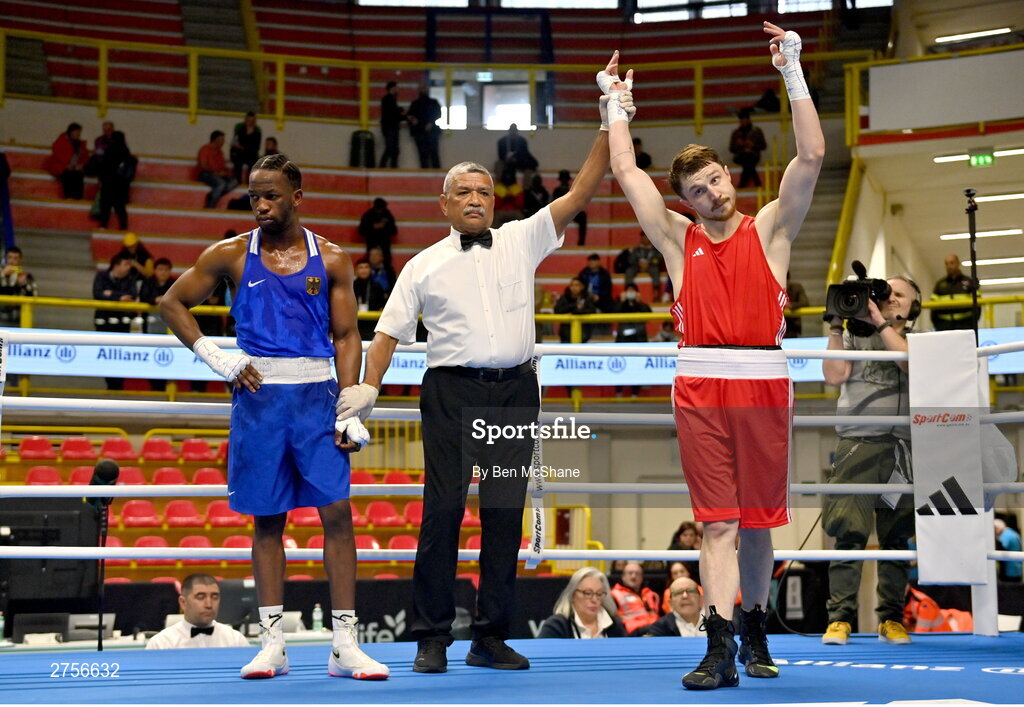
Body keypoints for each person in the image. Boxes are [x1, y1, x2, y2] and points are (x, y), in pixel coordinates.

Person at [335, 59, 617, 673]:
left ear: (496, 199)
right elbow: (385, 335)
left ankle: (490, 636)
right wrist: (367, 391)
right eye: (463, 191)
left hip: (516, 390)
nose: (475, 199)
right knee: (442, 511)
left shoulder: (522, 237)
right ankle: (431, 636)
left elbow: (582, 193)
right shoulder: (422, 265)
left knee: (503, 515)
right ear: (443, 204)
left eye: (484, 191)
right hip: (450, 394)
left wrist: (606, 116)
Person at [605, 24, 824, 689]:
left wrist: (791, 69)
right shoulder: (678, 241)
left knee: (755, 523)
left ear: (729, 176)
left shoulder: (770, 230)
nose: (712, 192)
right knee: (717, 523)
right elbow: (624, 172)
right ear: (689, 200)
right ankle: (719, 644)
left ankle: (754, 623)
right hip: (700, 379)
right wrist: (615, 107)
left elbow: (811, 154)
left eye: (715, 178)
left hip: (763, 378)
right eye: (697, 188)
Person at [159, 153, 389, 681]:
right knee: (267, 519)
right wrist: (218, 357)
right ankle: (272, 645)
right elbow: (172, 303)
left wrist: (350, 400)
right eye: (254, 196)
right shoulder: (231, 255)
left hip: (316, 398)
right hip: (259, 402)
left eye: (271, 196)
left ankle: (345, 645)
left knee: (337, 513)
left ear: (297, 198)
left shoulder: (331, 259)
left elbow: (347, 335)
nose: (261, 205)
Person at [821, 276, 920, 646]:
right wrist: (835, 324)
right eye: (886, 293)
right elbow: (834, 376)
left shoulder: (918, 339)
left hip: (902, 450)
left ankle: (891, 619)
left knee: (896, 536)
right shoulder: (852, 337)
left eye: (900, 295)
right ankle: (840, 620)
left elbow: (908, 362)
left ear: (914, 306)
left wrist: (881, 323)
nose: (891, 299)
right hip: (857, 444)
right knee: (849, 532)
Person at [146, 573, 251, 650]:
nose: (209, 605)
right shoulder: (161, 644)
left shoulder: (236, 640)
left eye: (215, 597)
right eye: (200, 597)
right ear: (183, 602)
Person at [536, 567, 627, 639]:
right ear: (572, 595)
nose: (594, 599)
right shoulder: (557, 626)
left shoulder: (615, 626)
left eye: (599, 594)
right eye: (587, 593)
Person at [94, 253, 138, 390]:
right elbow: (98, 293)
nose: (128, 268)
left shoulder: (130, 279)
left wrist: (110, 294)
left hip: (123, 323)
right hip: (104, 322)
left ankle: (118, 387)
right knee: (106, 355)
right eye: (126, 264)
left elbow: (132, 295)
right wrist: (118, 297)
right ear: (116, 265)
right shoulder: (101, 276)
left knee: (121, 355)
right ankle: (110, 385)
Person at [95, 130, 136, 231]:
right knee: (120, 208)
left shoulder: (109, 150)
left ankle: (103, 225)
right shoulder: (126, 152)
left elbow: (103, 167)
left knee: (105, 206)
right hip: (121, 186)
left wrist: (101, 179)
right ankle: (123, 227)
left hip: (108, 183)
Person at [931, 253, 980, 331]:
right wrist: (939, 326)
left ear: (958, 263)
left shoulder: (969, 282)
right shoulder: (940, 284)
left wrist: (971, 323)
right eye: (947, 264)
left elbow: (978, 304)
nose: (949, 266)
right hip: (944, 327)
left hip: (965, 325)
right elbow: (933, 308)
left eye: (952, 263)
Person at [610, 562, 661, 635]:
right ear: (623, 576)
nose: (633, 576)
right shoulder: (614, 594)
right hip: (634, 633)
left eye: (637, 573)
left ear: (642, 577)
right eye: (630, 573)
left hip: (655, 630)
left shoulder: (651, 594)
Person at [45, 122, 89, 199]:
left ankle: (78, 198)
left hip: (75, 168)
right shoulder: (61, 142)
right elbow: (58, 156)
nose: (78, 134)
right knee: (68, 176)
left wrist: (81, 165)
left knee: (79, 175)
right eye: (76, 132)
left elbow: (85, 157)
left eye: (79, 132)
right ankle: (68, 197)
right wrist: (66, 165)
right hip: (62, 167)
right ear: (71, 132)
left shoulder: (80, 144)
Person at [197, 131, 239, 208]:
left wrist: (225, 173)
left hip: (218, 174)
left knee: (234, 181)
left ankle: (213, 194)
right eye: (222, 139)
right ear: (216, 139)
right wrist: (215, 172)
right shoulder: (205, 149)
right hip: (206, 174)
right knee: (221, 184)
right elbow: (203, 165)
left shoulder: (220, 152)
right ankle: (210, 206)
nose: (223, 142)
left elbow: (222, 166)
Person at [729, 108, 767, 188]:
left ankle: (742, 184)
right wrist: (739, 145)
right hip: (740, 155)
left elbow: (763, 146)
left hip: (753, 155)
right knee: (747, 160)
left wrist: (753, 145)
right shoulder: (736, 133)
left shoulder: (757, 131)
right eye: (742, 120)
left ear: (749, 120)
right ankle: (756, 181)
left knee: (748, 160)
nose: (744, 122)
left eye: (745, 119)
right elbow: (731, 149)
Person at [0, 247, 38, 327]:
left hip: (17, 319)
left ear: (20, 260)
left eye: (15, 258)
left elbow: (33, 298)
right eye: (9, 257)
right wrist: (2, 275)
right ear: (5, 259)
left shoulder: (26, 276)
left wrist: (23, 285)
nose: (12, 261)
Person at [555, 277, 598, 343]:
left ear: (582, 287)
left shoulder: (587, 298)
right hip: (565, 333)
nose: (574, 287)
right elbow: (557, 310)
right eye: (572, 285)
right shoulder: (564, 297)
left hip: (584, 332)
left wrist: (575, 312)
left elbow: (592, 311)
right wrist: (574, 306)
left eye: (577, 285)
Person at [408, 85, 442, 169]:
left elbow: (438, 113)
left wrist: (431, 122)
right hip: (420, 131)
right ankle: (426, 172)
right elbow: (410, 115)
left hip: (428, 131)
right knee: (423, 154)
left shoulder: (433, 102)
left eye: (425, 88)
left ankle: (436, 173)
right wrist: (412, 119)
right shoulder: (416, 103)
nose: (423, 90)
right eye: (422, 88)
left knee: (433, 153)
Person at [140, 257, 175, 334]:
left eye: (166, 270)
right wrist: (155, 300)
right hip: (149, 318)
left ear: (170, 271)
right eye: (160, 269)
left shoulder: (175, 283)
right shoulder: (147, 282)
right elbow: (143, 298)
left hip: (169, 320)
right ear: (155, 270)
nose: (163, 272)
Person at [353, 260, 387, 341]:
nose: (364, 270)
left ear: (371, 270)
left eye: (366, 267)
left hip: (373, 325)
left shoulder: (377, 287)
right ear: (356, 271)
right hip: (355, 324)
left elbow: (384, 305)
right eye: (361, 268)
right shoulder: (351, 286)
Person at [552, 169, 587, 245]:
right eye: (563, 179)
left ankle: (581, 242)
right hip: (560, 213)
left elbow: (578, 202)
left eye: (566, 179)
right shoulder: (556, 191)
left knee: (583, 216)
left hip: (572, 212)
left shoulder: (573, 190)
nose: (564, 181)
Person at [357, 198, 397, 265]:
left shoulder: (387, 215)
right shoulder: (368, 215)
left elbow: (394, 231)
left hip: (385, 243)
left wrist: (384, 227)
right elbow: (361, 230)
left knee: (387, 262)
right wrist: (373, 227)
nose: (380, 211)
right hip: (371, 241)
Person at [379, 81, 406, 168]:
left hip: (390, 127)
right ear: (392, 88)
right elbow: (393, 114)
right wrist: (402, 113)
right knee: (391, 147)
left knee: (393, 148)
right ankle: (387, 166)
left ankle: (386, 166)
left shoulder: (388, 99)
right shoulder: (388, 99)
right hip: (390, 127)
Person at [230, 111, 262, 184]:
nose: (250, 123)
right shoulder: (239, 129)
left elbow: (256, 147)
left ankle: (250, 183)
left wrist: (244, 147)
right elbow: (235, 142)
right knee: (237, 162)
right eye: (248, 120)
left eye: (252, 121)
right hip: (239, 153)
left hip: (251, 154)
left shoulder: (257, 131)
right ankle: (237, 182)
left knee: (253, 163)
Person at [995, 517, 1022, 582]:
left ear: (997, 528)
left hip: (1009, 571)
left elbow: (1000, 549)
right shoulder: (1012, 532)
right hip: (1017, 569)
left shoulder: (1005, 535)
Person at [784, 271, 809, 338]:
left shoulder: (797, 288)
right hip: (777, 326)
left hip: (792, 326)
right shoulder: (773, 288)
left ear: (788, 281)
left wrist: (791, 305)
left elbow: (805, 303)